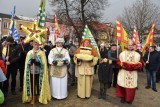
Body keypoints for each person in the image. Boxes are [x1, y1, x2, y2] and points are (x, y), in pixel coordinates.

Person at [22, 40, 51, 104]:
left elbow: (44, 63)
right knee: (32, 84)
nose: (36, 46)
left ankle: (39, 96)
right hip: (31, 72)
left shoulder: (42, 53)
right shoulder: (30, 53)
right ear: (32, 45)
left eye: (38, 44)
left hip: (39, 72)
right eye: (35, 44)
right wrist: (30, 62)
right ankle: (33, 97)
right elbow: (27, 63)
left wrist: (38, 63)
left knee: (38, 85)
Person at [116, 39, 142, 104]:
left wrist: (136, 66)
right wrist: (122, 65)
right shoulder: (122, 54)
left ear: (133, 46)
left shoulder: (137, 55)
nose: (130, 46)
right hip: (123, 72)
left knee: (131, 88)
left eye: (131, 45)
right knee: (122, 85)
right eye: (129, 45)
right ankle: (123, 97)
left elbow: (140, 63)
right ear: (127, 46)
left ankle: (129, 99)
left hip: (132, 73)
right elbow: (118, 62)